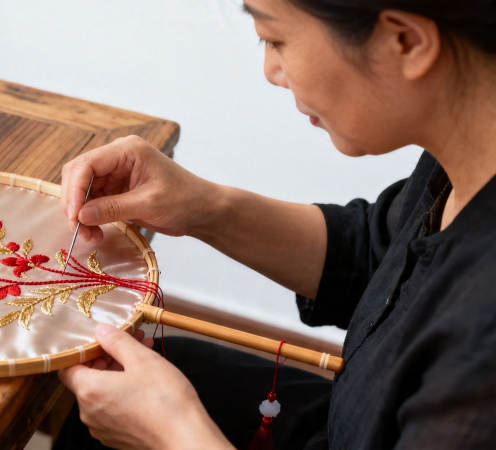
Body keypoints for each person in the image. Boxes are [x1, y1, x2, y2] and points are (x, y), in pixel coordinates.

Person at [54, 0, 496, 448]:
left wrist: (175, 436)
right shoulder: (468, 159)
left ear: (406, 41)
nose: (271, 69)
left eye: (275, 38)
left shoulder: (481, 356)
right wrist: (201, 205)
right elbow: (374, 256)